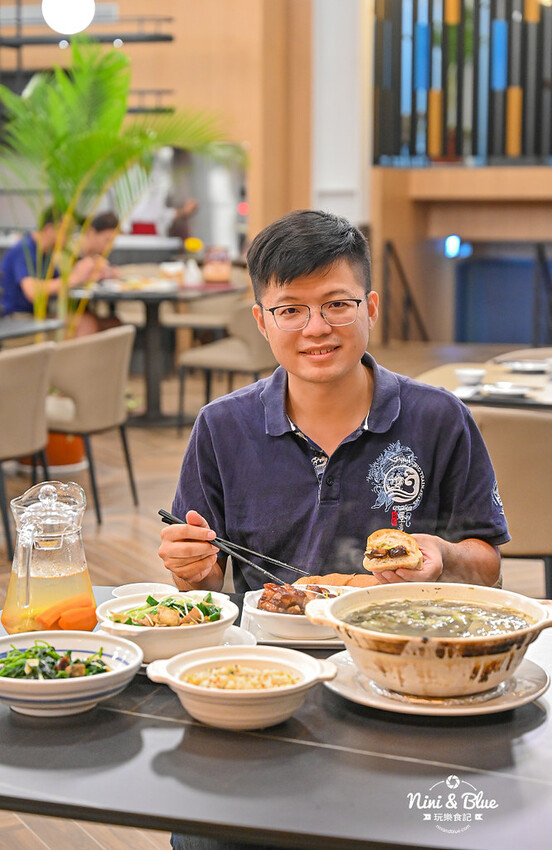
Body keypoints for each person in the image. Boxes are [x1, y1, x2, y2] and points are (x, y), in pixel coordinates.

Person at [159, 209, 509, 595]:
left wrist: (444, 556)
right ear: (262, 322)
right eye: (290, 310)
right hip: (272, 633)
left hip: (403, 627)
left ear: (370, 309)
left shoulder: (439, 417)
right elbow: (204, 579)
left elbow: (487, 567)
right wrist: (190, 568)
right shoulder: (221, 425)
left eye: (338, 305)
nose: (317, 328)